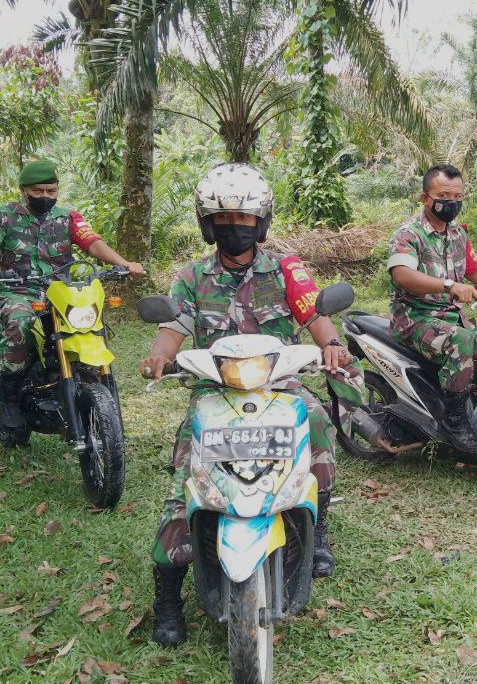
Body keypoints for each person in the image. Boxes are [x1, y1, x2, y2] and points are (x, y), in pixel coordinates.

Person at [139, 162, 382, 647]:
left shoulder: (286, 268)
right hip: (215, 390)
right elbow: (173, 330)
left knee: (315, 421)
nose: (235, 230)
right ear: (208, 224)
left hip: (279, 385)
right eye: (224, 222)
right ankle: (168, 592)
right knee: (187, 470)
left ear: (262, 222)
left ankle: (319, 524)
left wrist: (332, 346)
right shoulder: (191, 276)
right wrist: (159, 359)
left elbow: (315, 314)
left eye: (245, 221)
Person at [0, 159, 144, 427]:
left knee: (90, 324)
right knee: (20, 324)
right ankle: (10, 396)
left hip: (60, 291)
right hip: (19, 289)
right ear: (24, 190)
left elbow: (93, 243)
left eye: (51, 191)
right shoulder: (3, 215)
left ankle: (90, 395)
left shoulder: (68, 217)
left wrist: (122, 263)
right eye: (38, 191)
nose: (45, 197)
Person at [387, 163, 477, 453]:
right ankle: (455, 423)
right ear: (424, 198)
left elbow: (476, 270)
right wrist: (448, 285)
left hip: (450, 318)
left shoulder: (458, 235)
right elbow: (403, 275)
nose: (451, 202)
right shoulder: (409, 234)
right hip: (414, 318)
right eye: (444, 195)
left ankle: (476, 416)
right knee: (461, 340)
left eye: (457, 196)